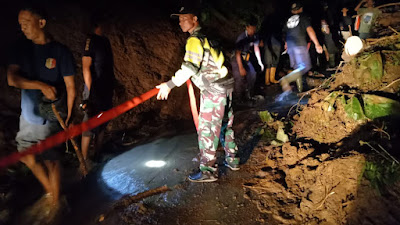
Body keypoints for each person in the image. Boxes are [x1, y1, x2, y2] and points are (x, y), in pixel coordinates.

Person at [156, 6, 239, 183]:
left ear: (195, 19)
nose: (180, 22)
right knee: (225, 125)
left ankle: (209, 170)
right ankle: (233, 159)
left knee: (208, 129)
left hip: (214, 90)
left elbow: (189, 67)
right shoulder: (208, 36)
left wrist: (169, 85)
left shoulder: (194, 40)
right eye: (179, 19)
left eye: (184, 18)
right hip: (227, 85)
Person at [7, 5, 76, 211]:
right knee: (26, 154)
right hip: (27, 116)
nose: (23, 28)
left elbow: (71, 87)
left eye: (27, 23)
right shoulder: (21, 49)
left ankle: (56, 206)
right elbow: (12, 79)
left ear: (41, 23)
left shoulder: (60, 52)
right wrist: (40, 85)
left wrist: (70, 117)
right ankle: (52, 193)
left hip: (51, 117)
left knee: (51, 160)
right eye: (21, 24)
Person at [80, 18, 115, 163]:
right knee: (88, 124)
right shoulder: (91, 40)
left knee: (104, 120)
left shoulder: (105, 41)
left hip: (106, 87)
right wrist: (88, 92)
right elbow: (86, 67)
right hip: (94, 90)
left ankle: (97, 153)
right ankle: (83, 160)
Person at [279, 1, 323, 96]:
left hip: (291, 47)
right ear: (300, 9)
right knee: (304, 67)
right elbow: (310, 30)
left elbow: (284, 33)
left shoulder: (288, 19)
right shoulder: (303, 17)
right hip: (299, 45)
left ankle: (300, 91)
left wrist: (286, 44)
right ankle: (285, 80)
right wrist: (317, 44)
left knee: (297, 68)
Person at [232, 17, 264, 101]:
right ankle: (238, 98)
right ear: (247, 28)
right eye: (251, 29)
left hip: (246, 57)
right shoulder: (242, 38)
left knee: (253, 74)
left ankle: (249, 94)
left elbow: (256, 48)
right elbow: (237, 53)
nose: (252, 31)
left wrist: (260, 63)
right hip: (237, 58)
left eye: (254, 29)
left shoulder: (254, 36)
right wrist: (241, 68)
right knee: (239, 77)